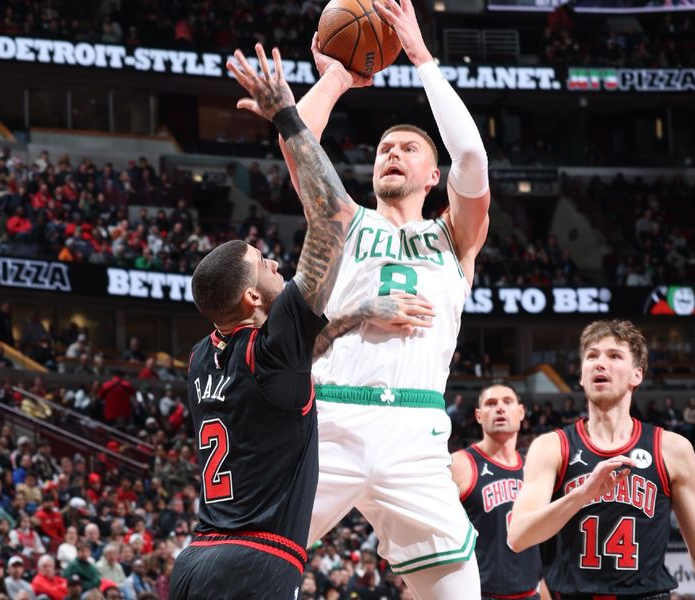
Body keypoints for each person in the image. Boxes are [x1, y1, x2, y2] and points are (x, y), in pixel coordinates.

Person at [279, 0, 489, 596]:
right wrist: (337, 77)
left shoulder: (455, 237)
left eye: (407, 149)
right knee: (256, 565)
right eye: (383, 149)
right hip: (331, 420)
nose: (391, 152)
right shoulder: (342, 220)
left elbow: (471, 158)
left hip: (416, 435)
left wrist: (422, 59)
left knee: (458, 589)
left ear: (433, 178)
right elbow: (298, 142)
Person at [169, 43, 358, 600]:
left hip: (196, 559)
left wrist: (358, 316)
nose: (277, 262)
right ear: (253, 297)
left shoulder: (207, 354)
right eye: (265, 264)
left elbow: (297, 356)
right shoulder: (271, 349)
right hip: (254, 562)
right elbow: (334, 216)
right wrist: (286, 114)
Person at [509, 319, 695, 599]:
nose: (599, 363)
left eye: (614, 355)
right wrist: (582, 494)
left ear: (636, 375)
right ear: (581, 375)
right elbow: (519, 536)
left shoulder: (671, 449)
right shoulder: (551, 446)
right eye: (591, 356)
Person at [450, 383, 547, 600]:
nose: (500, 408)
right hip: (480, 594)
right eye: (491, 404)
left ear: (521, 412)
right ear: (478, 415)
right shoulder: (460, 465)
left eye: (507, 402)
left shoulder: (533, 468)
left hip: (531, 593)